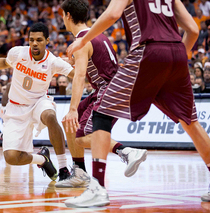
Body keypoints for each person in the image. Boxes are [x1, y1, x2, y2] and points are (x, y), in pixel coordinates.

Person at [65, 0, 210, 207]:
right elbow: (192, 29)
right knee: (190, 122)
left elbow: (112, 14)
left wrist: (83, 41)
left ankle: (98, 189)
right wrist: (175, 58)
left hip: (149, 50)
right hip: (177, 55)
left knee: (102, 111)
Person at [56, 0, 148, 189]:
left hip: (109, 90)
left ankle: (126, 151)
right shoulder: (98, 35)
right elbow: (96, 67)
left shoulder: (82, 42)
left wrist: (73, 108)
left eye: (62, 16)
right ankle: (79, 172)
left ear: (68, 16)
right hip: (110, 87)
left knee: (82, 136)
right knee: (69, 124)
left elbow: (81, 76)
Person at [0, 22, 74, 182]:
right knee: (11, 157)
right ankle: (42, 159)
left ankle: (63, 168)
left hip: (39, 102)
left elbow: (76, 75)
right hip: (15, 109)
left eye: (39, 40)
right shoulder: (18, 53)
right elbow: (4, 62)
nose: (34, 43)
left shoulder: (53, 61)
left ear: (47, 40)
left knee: (50, 116)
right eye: (31, 39)